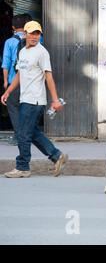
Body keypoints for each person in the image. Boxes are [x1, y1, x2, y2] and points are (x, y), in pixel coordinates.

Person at [1, 21, 68, 178]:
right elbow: (19, 74)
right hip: (25, 98)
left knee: (23, 133)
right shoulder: (23, 52)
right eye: (31, 33)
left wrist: (55, 99)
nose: (34, 36)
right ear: (25, 34)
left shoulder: (42, 52)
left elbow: (48, 76)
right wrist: (8, 91)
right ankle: (57, 156)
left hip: (35, 100)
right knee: (31, 132)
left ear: (40, 35)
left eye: (37, 33)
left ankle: (22, 166)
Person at [2, 14, 32, 145]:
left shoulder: (9, 42)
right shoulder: (36, 39)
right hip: (30, 80)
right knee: (27, 107)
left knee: (13, 107)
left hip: (14, 80)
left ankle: (19, 136)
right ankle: (26, 135)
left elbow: (6, 64)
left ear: (13, 27)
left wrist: (5, 82)